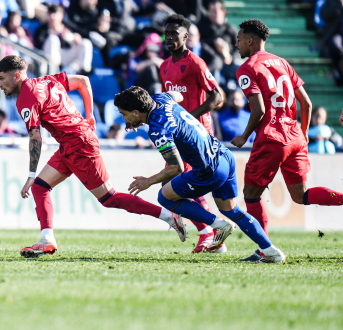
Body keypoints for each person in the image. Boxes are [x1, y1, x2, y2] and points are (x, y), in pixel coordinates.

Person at [0, 55, 186, 258]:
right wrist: (90, 114)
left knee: (109, 198)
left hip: (80, 146)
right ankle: (46, 240)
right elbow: (83, 81)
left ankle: (169, 216)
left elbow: (36, 138)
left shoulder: (26, 98)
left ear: (16, 76)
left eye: (1, 78)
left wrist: (31, 173)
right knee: (40, 187)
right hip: (69, 145)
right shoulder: (46, 81)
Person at [116, 86, 286, 263]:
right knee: (230, 209)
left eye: (124, 114)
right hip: (224, 156)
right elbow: (179, 95)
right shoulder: (161, 99)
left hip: (208, 170)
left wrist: (148, 181)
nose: (124, 118)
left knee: (165, 197)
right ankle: (270, 250)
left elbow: (176, 168)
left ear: (136, 112)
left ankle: (218, 225)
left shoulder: (158, 129)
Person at [232, 19, 343, 262]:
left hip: (271, 137)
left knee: (251, 195)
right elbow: (307, 103)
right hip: (294, 135)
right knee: (301, 195)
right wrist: (303, 133)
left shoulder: (246, 68)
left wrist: (244, 136)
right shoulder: (282, 62)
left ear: (250, 41)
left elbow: (259, 110)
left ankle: (265, 250)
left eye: (239, 39)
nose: (237, 44)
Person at [160, 14, 225, 253]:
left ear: (185, 37)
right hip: (176, 135)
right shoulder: (164, 66)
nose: (168, 38)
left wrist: (188, 117)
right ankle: (211, 232)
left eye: (174, 35)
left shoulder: (196, 63)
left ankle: (210, 232)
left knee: (181, 184)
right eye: (166, 34)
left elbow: (218, 96)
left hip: (197, 135)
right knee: (174, 185)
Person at [34, 4, 93, 74]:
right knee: (52, 39)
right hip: (51, 59)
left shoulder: (67, 25)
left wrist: (76, 36)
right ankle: (54, 73)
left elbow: (85, 33)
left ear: (62, 15)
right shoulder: (42, 30)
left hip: (68, 55)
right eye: (50, 13)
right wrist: (53, 33)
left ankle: (83, 71)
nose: (53, 16)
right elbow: (39, 46)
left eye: (55, 13)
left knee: (86, 43)